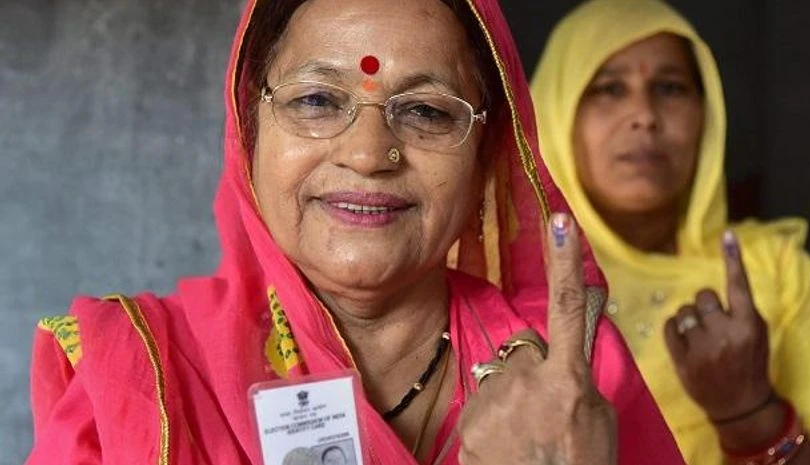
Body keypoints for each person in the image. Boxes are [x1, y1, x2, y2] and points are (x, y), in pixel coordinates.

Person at [25, 0, 687, 464]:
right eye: (317, 100)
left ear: (488, 154)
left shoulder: (570, 371)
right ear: (249, 131)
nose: (370, 153)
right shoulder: (145, 375)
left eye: (426, 111)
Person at [531, 0, 810, 464]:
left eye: (669, 88)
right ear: (553, 109)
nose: (644, 114)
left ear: (706, 117)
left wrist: (748, 413)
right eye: (609, 89)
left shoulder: (772, 267)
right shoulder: (497, 274)